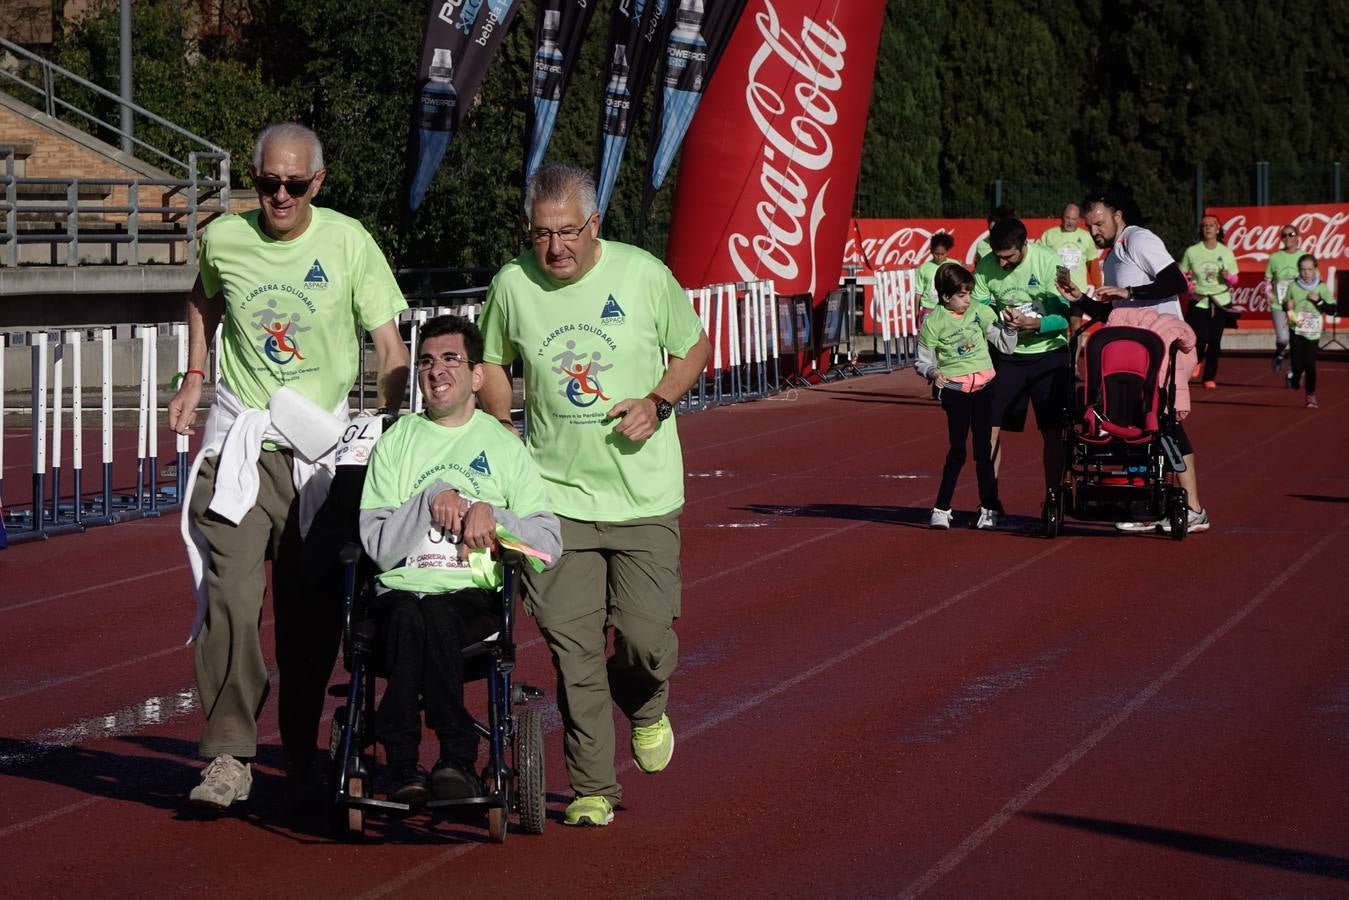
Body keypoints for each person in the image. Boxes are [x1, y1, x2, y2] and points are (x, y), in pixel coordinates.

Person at [167, 122, 411, 810]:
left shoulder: (347, 241)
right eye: (267, 182)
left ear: (317, 184)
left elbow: (389, 346)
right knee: (231, 600)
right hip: (241, 445)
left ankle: (301, 748)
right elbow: (202, 294)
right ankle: (227, 754)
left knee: (310, 622)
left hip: (320, 459)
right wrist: (193, 373)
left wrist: (389, 426)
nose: (279, 195)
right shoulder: (224, 238)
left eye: (293, 185)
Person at [476, 164, 711, 828]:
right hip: (554, 503)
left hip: (642, 497)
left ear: (594, 224)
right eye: (542, 234)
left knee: (642, 638)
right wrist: (500, 422)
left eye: (567, 233)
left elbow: (692, 347)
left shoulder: (641, 274)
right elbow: (490, 358)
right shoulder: (512, 283)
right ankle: (592, 788)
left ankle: (645, 703)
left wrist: (659, 401)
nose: (555, 249)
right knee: (572, 649)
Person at [358, 316, 561, 804]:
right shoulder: (396, 442)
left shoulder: (504, 448)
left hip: (470, 595)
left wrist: (496, 515)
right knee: (411, 612)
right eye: (426, 361)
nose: (436, 370)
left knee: (439, 616)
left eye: (451, 359)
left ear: (475, 376)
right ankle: (415, 762)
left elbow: (549, 544)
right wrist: (431, 495)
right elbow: (378, 545)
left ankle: (446, 759)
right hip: (402, 591)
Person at [1069, 190, 1210, 534]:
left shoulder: (1138, 240)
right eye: (1090, 226)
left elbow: (1176, 282)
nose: (1094, 231)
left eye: (1099, 223)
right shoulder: (1111, 258)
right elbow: (1116, 312)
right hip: (1132, 354)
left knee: (1166, 423)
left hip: (1161, 348)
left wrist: (1129, 292)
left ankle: (1193, 509)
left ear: (1117, 215)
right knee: (1139, 424)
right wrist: (1082, 299)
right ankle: (1148, 503)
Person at [972, 217, 1073, 496]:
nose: (1002, 264)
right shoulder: (986, 265)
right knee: (988, 428)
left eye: (1009, 257)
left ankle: (1054, 498)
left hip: (1049, 355)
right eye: (998, 257)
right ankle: (989, 501)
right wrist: (995, 322)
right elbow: (977, 309)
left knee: (1052, 431)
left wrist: (1035, 324)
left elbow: (1065, 317)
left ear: (1024, 245)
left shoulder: (1051, 261)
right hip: (1007, 355)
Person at [916, 263, 1018, 530]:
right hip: (956, 391)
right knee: (958, 450)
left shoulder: (979, 312)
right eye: (962, 295)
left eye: (969, 293)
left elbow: (1004, 344)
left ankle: (989, 508)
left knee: (983, 451)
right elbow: (922, 361)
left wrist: (1009, 328)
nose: (968, 299)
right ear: (946, 296)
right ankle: (941, 508)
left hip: (985, 388)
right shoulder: (933, 322)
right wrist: (932, 371)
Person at [1179, 215, 1239, 389]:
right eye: (1205, 225)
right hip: (1199, 300)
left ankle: (1209, 377)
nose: (1208, 228)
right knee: (1199, 338)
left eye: (1212, 225)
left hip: (1220, 301)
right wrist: (1189, 285)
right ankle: (1197, 361)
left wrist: (1227, 276)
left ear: (1218, 229)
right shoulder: (1192, 251)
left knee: (1215, 341)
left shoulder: (1226, 252)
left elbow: (1235, 279)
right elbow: (1183, 274)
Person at [1283, 253, 1337, 409]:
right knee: (1297, 364)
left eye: (1309, 269)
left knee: (1310, 364)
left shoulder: (1321, 287)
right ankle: (1295, 378)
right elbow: (1286, 304)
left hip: (1313, 332)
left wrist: (1319, 301)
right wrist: (1288, 306)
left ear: (1315, 270)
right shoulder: (1293, 286)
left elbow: (1332, 309)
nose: (1306, 273)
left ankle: (1310, 395)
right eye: (1303, 270)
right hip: (1296, 330)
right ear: (1298, 270)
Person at [1261, 224, 1302, 373]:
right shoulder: (1275, 258)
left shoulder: (1303, 257)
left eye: (1291, 235)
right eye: (1284, 235)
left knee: (1296, 340)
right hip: (1279, 305)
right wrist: (1269, 295)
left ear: (1297, 237)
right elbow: (1267, 280)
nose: (1287, 238)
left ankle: (1293, 371)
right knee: (1283, 339)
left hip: (1298, 306)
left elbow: (1312, 280)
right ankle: (1279, 353)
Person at [1039, 202, 1098, 293]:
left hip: (1078, 292)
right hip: (1054, 291)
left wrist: (1098, 287)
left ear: (1078, 219)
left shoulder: (1086, 237)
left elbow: (1093, 265)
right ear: (1062, 217)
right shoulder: (1049, 235)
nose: (1070, 222)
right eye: (1067, 218)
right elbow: (1039, 262)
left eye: (1074, 219)